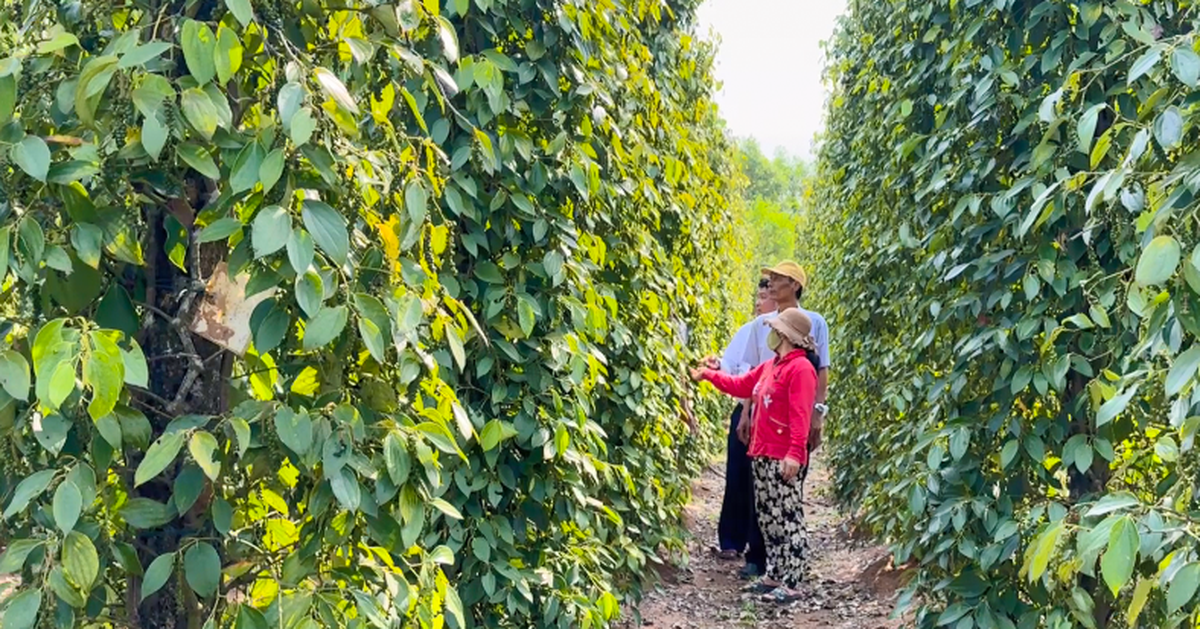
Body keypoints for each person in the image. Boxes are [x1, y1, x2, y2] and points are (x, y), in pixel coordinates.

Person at [691, 308, 820, 604]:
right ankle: (774, 574)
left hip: (782, 457)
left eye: (775, 330)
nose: (770, 335)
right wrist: (708, 375)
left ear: (786, 336)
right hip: (762, 454)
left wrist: (794, 454)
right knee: (768, 518)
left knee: (788, 518)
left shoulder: (800, 370)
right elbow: (740, 385)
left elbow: (800, 416)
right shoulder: (771, 366)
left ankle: (792, 581)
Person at [712, 279, 776, 569]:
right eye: (758, 296)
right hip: (746, 410)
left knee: (760, 481)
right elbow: (737, 369)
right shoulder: (749, 330)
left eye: (764, 296)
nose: (758, 303)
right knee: (737, 474)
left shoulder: (789, 332)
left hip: (768, 414)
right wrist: (716, 368)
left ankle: (758, 547)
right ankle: (732, 540)